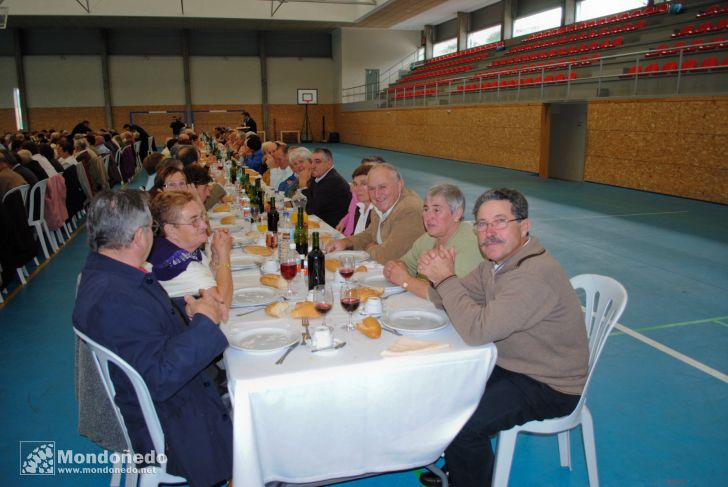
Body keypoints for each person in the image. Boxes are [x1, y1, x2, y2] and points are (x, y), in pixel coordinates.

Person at [416, 188, 588, 487]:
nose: (489, 232)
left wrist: (445, 278)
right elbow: (445, 296)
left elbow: (477, 331)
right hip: (515, 363)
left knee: (463, 425)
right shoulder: (497, 265)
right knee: (445, 392)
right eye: (481, 224)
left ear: (524, 226)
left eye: (499, 222)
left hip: (549, 383)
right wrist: (437, 275)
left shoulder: (531, 275)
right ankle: (461, 464)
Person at [72, 189, 232, 487]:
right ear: (138, 237)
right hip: (172, 427)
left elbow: (145, 334)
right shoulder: (117, 299)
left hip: (157, 396)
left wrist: (184, 311)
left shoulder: (107, 273)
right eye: (150, 229)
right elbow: (161, 377)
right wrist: (206, 322)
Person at [383, 184, 482, 299]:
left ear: (457, 214)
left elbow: (450, 296)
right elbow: (404, 264)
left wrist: (405, 281)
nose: (428, 216)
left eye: (436, 210)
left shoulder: (471, 242)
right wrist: (393, 268)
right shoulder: (429, 238)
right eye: (426, 209)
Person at [148, 190, 233, 309]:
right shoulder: (182, 267)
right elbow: (221, 305)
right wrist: (224, 255)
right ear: (171, 230)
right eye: (194, 221)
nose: (204, 225)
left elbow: (207, 276)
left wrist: (216, 257)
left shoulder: (168, 245)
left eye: (201, 217)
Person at [326, 163, 424, 264]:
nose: (377, 195)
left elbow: (387, 256)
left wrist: (370, 248)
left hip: (408, 276)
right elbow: (370, 234)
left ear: (399, 185)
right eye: (372, 188)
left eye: (382, 187)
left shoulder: (409, 210)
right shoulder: (380, 205)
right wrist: (346, 242)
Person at [299, 148, 352, 228]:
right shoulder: (318, 176)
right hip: (321, 221)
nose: (312, 166)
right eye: (311, 162)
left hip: (332, 228)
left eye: (317, 161)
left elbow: (310, 210)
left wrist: (304, 186)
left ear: (329, 163)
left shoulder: (333, 181)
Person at [335, 158, 380, 236]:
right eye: (355, 184)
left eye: (364, 183)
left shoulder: (381, 212)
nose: (357, 189)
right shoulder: (361, 206)